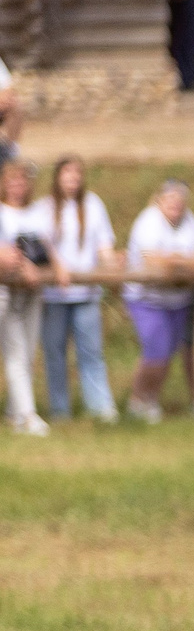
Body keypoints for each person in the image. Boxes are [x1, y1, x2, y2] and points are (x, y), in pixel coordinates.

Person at [121, 179, 194, 424]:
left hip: (178, 299)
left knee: (167, 353)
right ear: (160, 200)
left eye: (180, 200)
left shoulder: (189, 222)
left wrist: (174, 260)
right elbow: (152, 259)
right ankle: (138, 399)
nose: (176, 205)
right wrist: (183, 261)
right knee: (155, 350)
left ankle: (150, 399)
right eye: (170, 199)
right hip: (147, 297)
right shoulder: (148, 221)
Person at [37, 156, 117, 424]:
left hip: (86, 294)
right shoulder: (44, 208)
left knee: (91, 353)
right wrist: (57, 266)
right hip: (53, 296)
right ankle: (60, 411)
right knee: (55, 354)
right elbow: (39, 247)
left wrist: (112, 261)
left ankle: (101, 409)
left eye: (77, 173)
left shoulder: (93, 205)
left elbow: (103, 244)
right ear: (58, 177)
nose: (72, 178)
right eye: (67, 173)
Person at [0, 160, 44, 434]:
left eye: (22, 180)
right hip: (7, 292)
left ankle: (15, 413)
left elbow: (46, 246)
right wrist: (24, 266)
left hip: (32, 292)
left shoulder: (37, 212)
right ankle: (28, 415)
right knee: (16, 352)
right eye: (12, 180)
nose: (18, 185)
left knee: (26, 352)